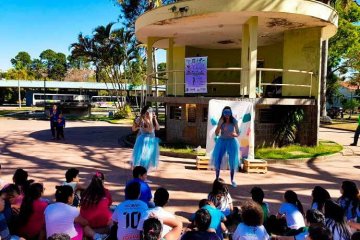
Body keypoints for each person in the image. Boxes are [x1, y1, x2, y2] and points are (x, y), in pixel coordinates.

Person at [211, 106, 240, 187]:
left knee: (232, 161)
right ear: (223, 113)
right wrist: (219, 124)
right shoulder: (221, 121)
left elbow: (238, 132)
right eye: (225, 112)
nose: (227, 114)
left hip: (231, 142)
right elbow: (216, 133)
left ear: (231, 113)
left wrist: (236, 134)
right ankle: (217, 179)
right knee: (218, 159)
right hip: (222, 141)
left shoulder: (234, 121)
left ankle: (232, 180)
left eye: (228, 112)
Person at [132, 105, 160, 170]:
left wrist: (154, 119)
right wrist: (138, 126)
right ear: (144, 113)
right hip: (142, 141)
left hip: (151, 142)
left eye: (149, 113)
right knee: (141, 160)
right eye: (146, 113)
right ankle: (138, 175)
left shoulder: (152, 119)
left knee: (147, 160)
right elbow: (133, 129)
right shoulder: (140, 119)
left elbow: (157, 128)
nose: (147, 114)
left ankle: (143, 175)